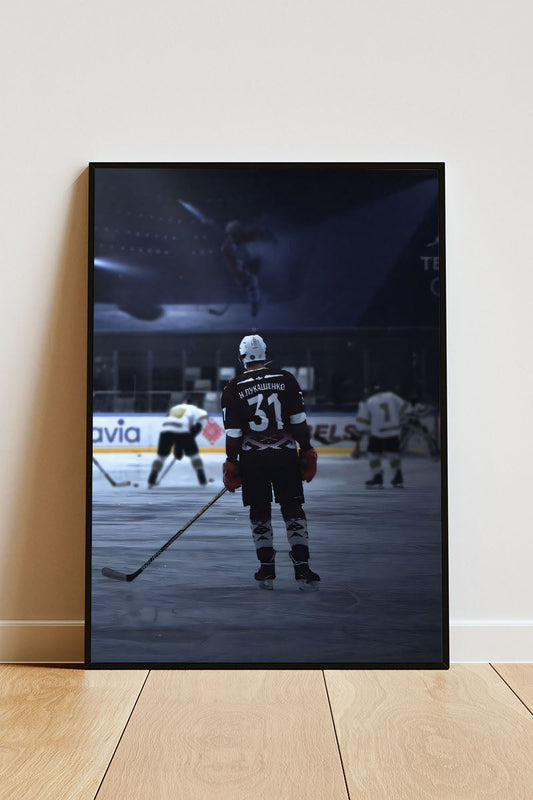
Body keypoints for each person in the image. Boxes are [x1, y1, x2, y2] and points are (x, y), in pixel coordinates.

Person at [221, 334, 320, 590]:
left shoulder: (233, 387)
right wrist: (306, 449)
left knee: (259, 511)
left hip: (253, 460)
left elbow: (233, 433)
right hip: (285, 455)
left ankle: (266, 570)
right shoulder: (286, 379)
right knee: (293, 507)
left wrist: (231, 462)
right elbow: (298, 421)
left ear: (241, 357)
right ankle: (302, 567)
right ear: (265, 354)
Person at [356, 386, 410, 488]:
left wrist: (361, 431)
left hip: (378, 433)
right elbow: (406, 408)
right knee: (393, 454)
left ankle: (377, 477)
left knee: (373, 454)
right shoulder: (391, 396)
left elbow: (363, 421)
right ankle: (398, 476)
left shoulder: (369, 401)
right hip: (394, 431)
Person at [147, 399, 208, 488]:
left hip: (165, 429)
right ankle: (201, 478)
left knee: (161, 456)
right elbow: (198, 425)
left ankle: (152, 478)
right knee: (194, 456)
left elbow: (171, 422)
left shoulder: (175, 408)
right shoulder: (196, 409)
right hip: (182, 430)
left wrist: (178, 447)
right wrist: (184, 444)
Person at [221, 220, 275, 317]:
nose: (235, 236)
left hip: (255, 258)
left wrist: (270, 237)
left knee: (253, 279)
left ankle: (258, 300)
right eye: (233, 234)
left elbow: (263, 232)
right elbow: (231, 264)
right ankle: (255, 303)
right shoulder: (227, 246)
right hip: (243, 262)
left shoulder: (250, 233)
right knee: (250, 283)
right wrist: (239, 275)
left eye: (237, 233)